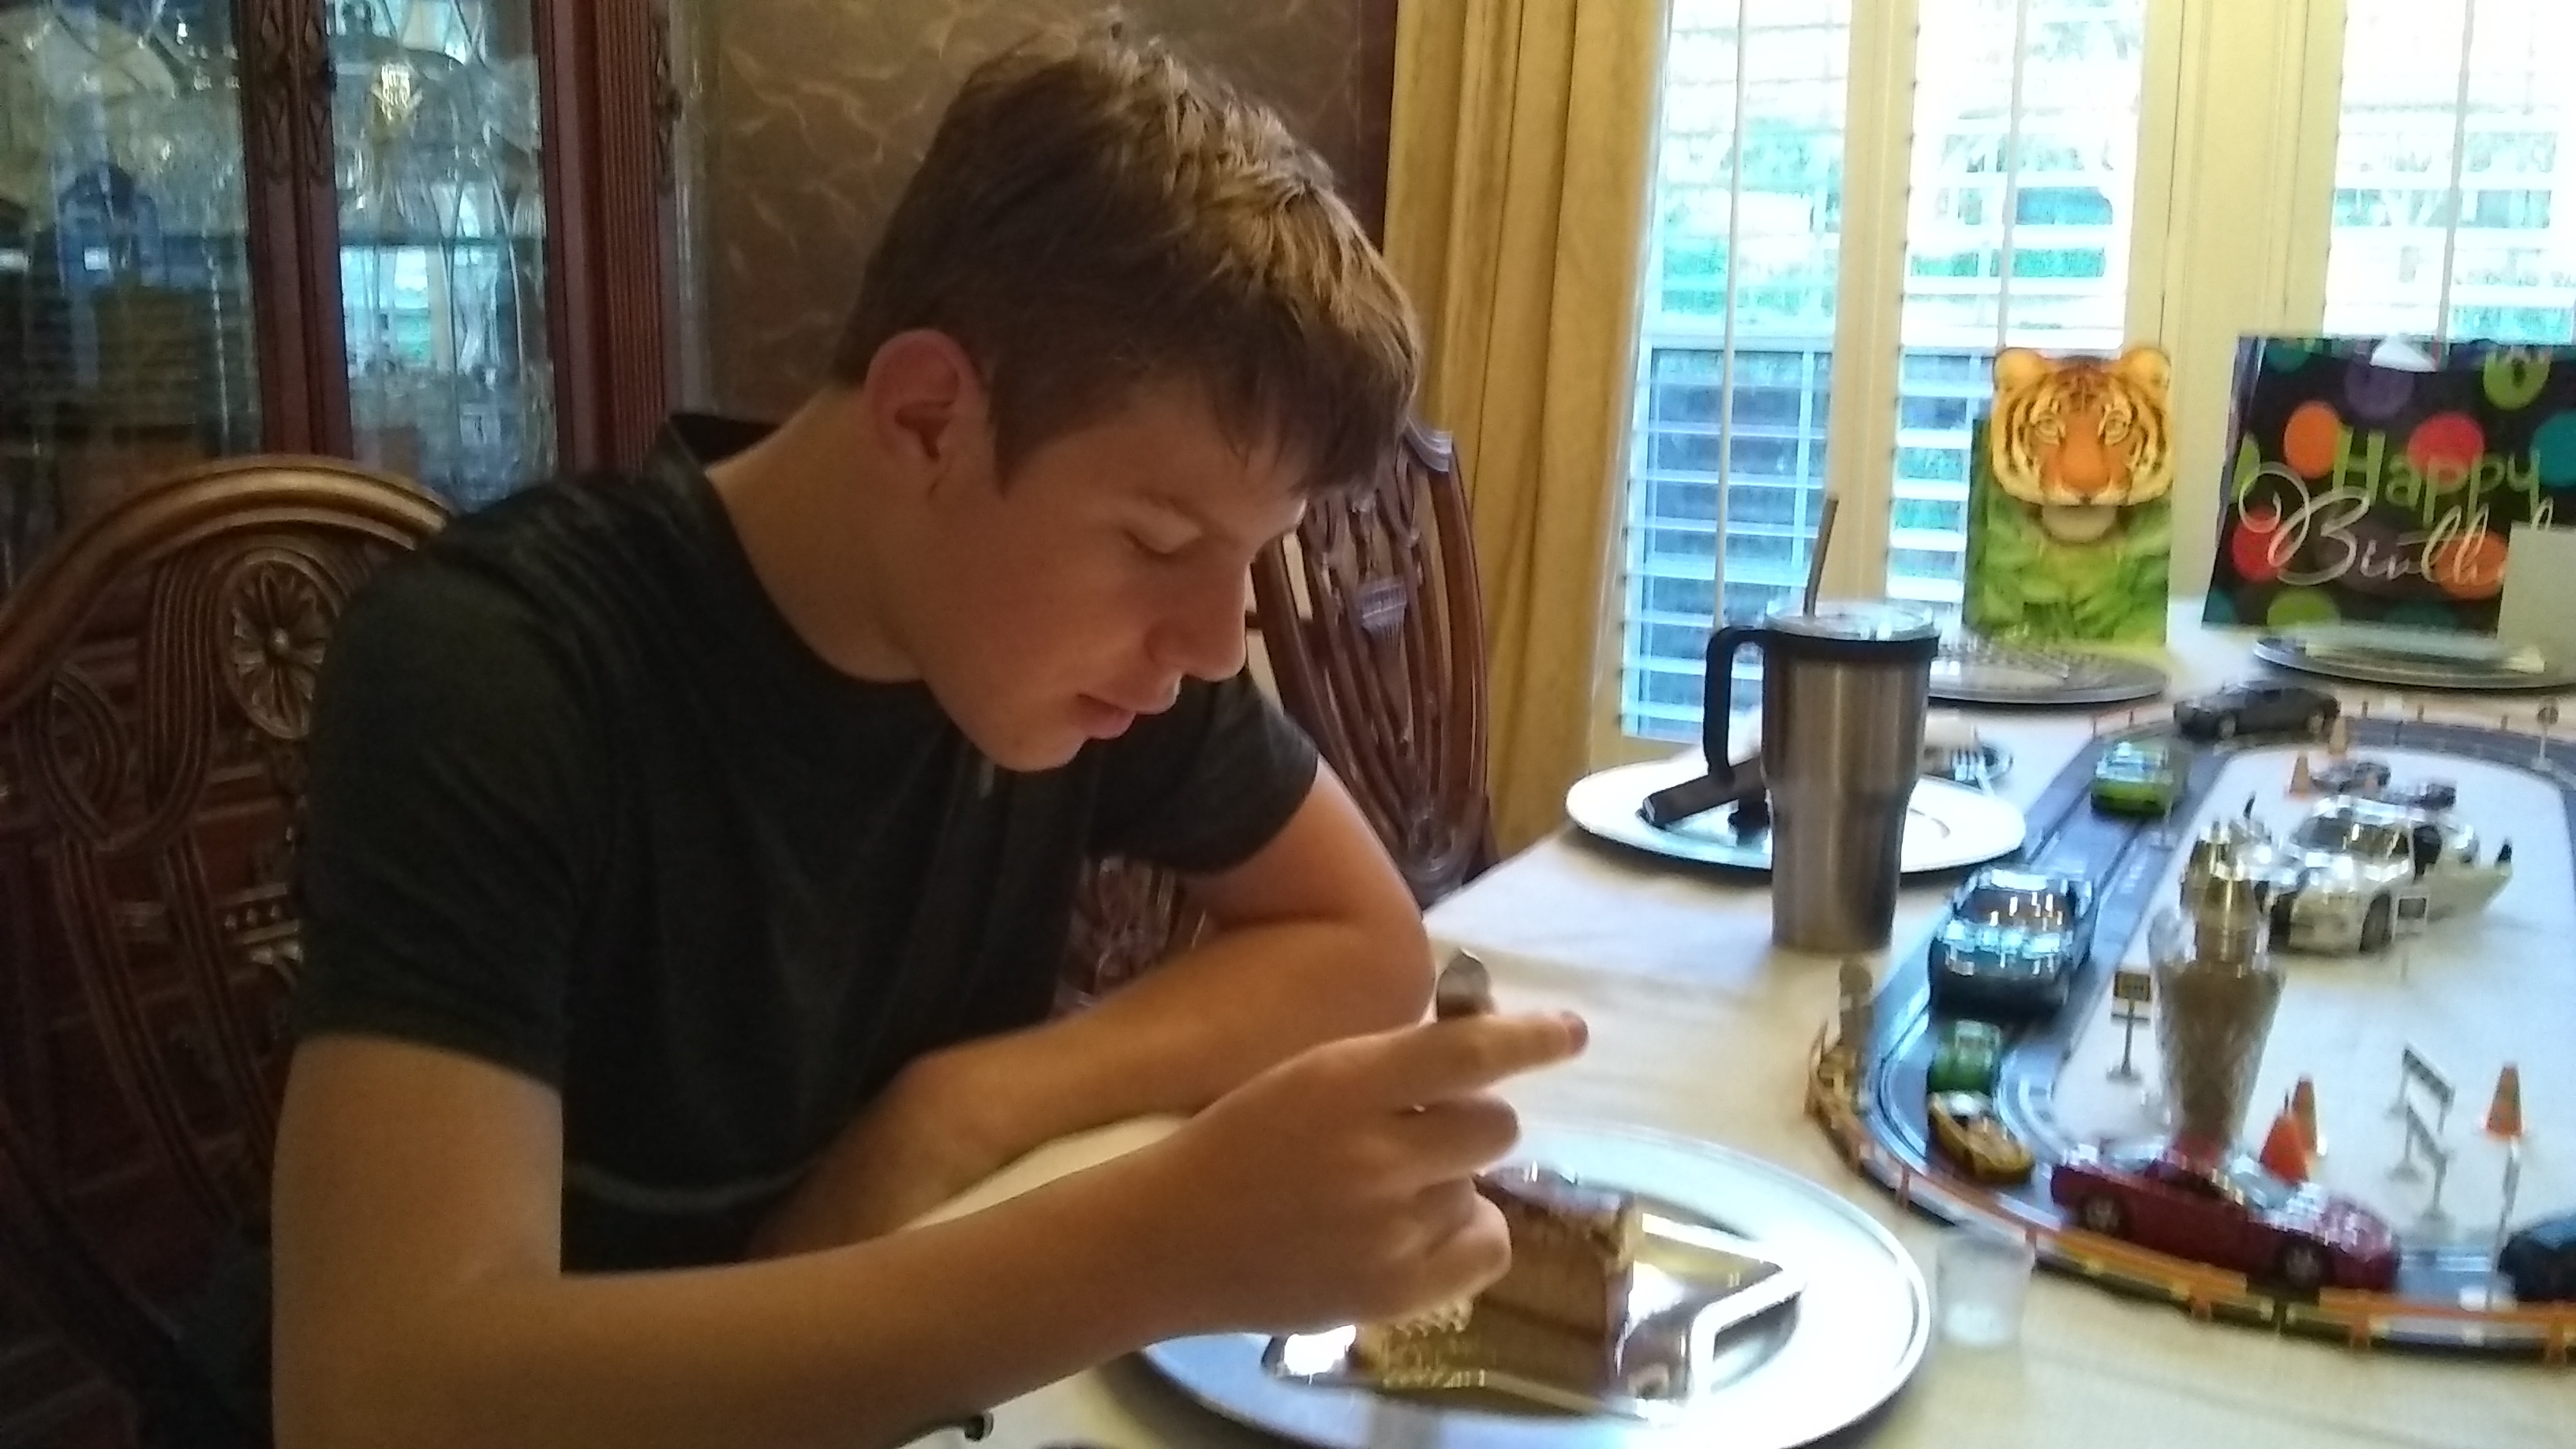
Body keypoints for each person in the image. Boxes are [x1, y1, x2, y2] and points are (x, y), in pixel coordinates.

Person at [262, 17, 1586, 1449]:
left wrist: (961, 1106)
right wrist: (1149, 1247)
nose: (1217, 642)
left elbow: (1363, 943)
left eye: (1248, 557)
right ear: (928, 420)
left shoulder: (1051, 640)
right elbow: (381, 1397)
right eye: (1160, 540)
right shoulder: (501, 671)